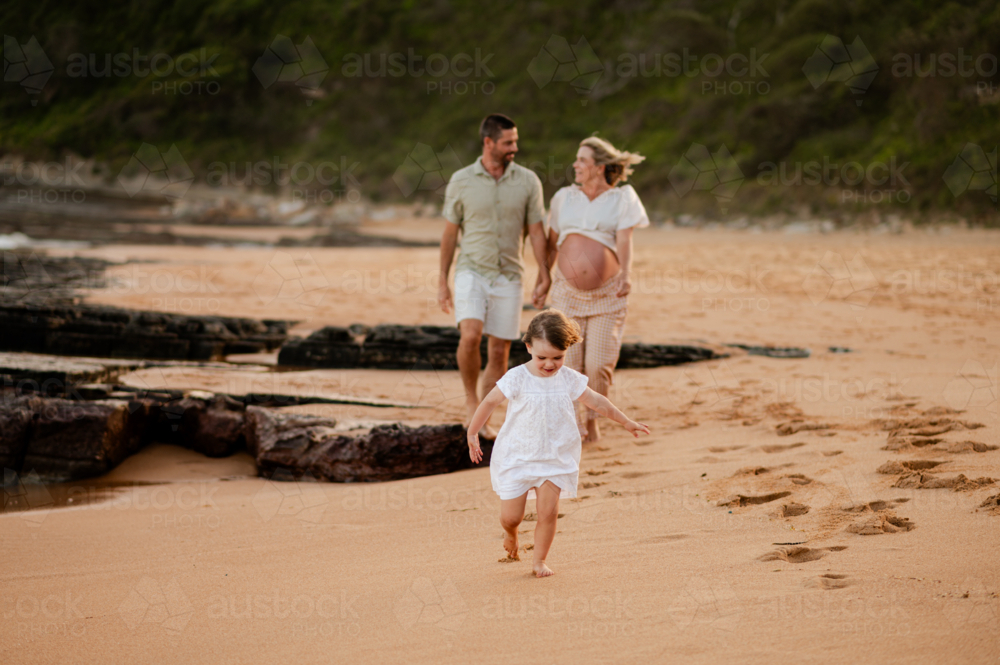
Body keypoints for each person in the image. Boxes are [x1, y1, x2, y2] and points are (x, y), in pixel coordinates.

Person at [467, 309, 649, 577]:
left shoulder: (569, 379)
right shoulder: (517, 377)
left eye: (557, 357)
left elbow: (597, 401)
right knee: (511, 517)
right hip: (517, 456)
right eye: (542, 357)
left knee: (548, 513)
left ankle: (539, 561)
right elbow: (490, 401)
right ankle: (511, 534)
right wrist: (473, 432)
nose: (549, 364)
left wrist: (626, 421)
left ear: (566, 352)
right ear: (528, 347)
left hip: (555, 457)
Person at [439, 114, 550, 438]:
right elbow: (449, 234)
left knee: (500, 350)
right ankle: (471, 400)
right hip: (471, 268)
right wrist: (441, 281)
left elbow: (537, 231)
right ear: (488, 143)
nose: (515, 147)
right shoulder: (461, 180)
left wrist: (545, 274)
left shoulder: (528, 181)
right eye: (508, 142)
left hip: (509, 274)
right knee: (471, 335)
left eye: (515, 141)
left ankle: (484, 415)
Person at [533, 136, 648, 443]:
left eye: (582, 160)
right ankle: (575, 427)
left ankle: (593, 420)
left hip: (607, 295)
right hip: (566, 294)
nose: (575, 165)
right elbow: (551, 241)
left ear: (599, 166)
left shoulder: (623, 198)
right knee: (567, 363)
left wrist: (627, 274)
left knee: (598, 365)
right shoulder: (563, 198)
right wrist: (543, 277)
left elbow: (624, 240)